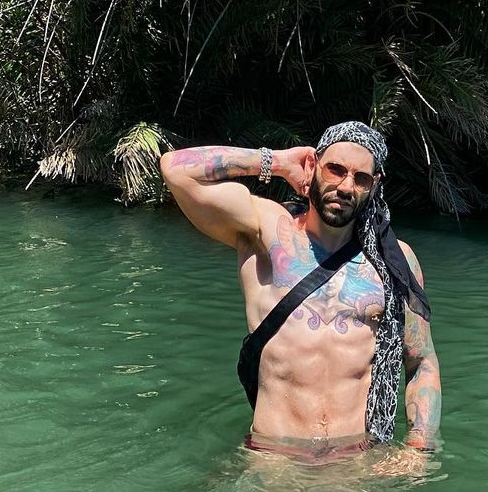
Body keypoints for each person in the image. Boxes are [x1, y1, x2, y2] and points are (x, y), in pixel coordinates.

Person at [160, 121, 441, 460]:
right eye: (335, 169)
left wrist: (418, 449)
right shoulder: (265, 231)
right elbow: (176, 170)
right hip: (274, 459)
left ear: (374, 185)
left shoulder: (394, 261)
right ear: (313, 165)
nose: (346, 186)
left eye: (361, 178)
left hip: (356, 462)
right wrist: (276, 162)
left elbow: (421, 361)